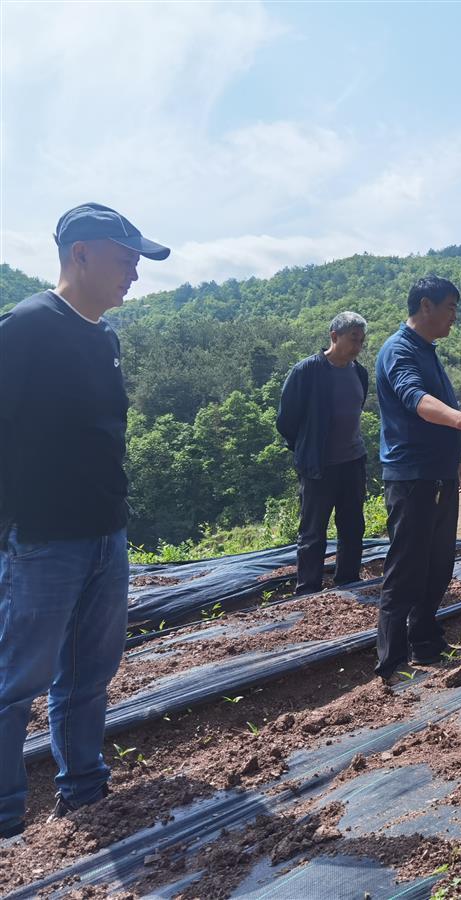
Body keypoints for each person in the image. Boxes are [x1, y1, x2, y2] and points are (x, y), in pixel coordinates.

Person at [0, 203, 170, 838]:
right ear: (82, 255)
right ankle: (8, 820)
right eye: (126, 260)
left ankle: (85, 795)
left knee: (89, 676)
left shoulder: (104, 336)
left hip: (105, 533)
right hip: (42, 539)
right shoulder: (24, 328)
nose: (134, 274)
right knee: (16, 683)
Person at [374, 276, 461, 684]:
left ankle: (426, 643)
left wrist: (455, 459)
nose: (454, 318)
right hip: (412, 478)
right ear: (425, 306)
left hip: (438, 474)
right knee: (407, 567)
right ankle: (392, 664)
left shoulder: (428, 351)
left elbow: (433, 412)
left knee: (438, 564)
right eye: (450, 308)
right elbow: (419, 402)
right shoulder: (398, 351)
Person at [276, 312, 370, 596]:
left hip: (353, 461)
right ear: (334, 336)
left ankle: (348, 579)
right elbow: (286, 420)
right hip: (318, 466)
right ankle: (308, 589)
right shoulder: (306, 371)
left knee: (353, 525)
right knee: (313, 530)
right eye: (353, 339)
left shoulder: (359, 373)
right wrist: (306, 449)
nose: (358, 346)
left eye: (361, 340)